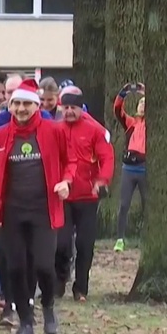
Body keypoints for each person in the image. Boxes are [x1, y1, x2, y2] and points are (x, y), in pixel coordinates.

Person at [0, 78, 76, 334]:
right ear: (10, 106)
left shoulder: (53, 131)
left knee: (44, 266)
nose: (21, 109)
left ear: (36, 106)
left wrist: (66, 181)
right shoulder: (0, 136)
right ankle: (25, 321)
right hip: (11, 212)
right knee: (15, 268)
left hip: (43, 210)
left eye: (26, 104)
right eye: (17, 104)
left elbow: (70, 160)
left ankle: (47, 307)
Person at [55, 87, 114, 301]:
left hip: (88, 196)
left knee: (84, 244)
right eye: (66, 107)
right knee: (61, 243)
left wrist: (102, 181)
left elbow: (107, 157)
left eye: (74, 108)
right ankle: (58, 282)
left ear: (81, 109)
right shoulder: (56, 129)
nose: (69, 111)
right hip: (63, 197)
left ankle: (81, 288)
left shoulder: (94, 130)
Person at [113, 83, 146, 252]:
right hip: (129, 168)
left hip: (144, 168)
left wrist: (145, 90)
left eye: (145, 103)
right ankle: (120, 239)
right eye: (140, 103)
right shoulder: (131, 123)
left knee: (148, 205)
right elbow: (118, 110)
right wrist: (123, 93)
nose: (142, 106)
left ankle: (146, 240)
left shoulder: (153, 124)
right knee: (124, 204)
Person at [0, 75, 53, 139]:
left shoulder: (45, 117)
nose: (14, 95)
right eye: (9, 92)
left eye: (18, 90)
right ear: (5, 94)